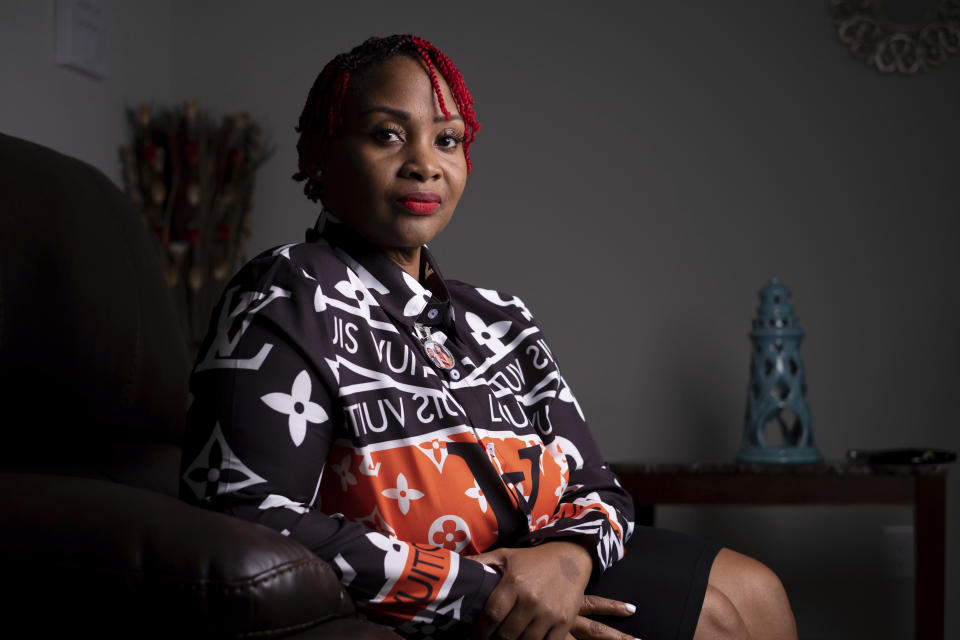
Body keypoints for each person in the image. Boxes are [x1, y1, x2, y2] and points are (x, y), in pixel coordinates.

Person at [179, 34, 797, 640]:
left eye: (446, 140)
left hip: (546, 557)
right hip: (443, 591)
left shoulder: (498, 315)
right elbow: (247, 517)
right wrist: (488, 590)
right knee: (715, 622)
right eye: (387, 134)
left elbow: (599, 490)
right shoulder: (286, 294)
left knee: (759, 590)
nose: (425, 162)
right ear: (320, 151)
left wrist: (565, 562)